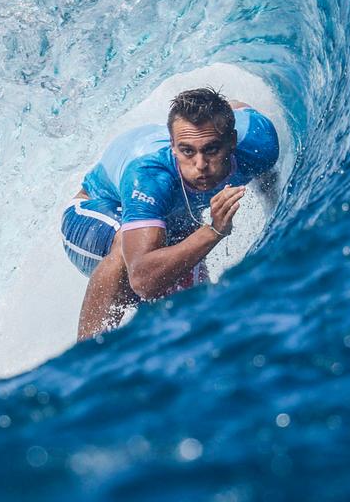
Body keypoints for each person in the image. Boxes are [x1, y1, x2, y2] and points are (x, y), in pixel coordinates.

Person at [62, 87, 280, 340]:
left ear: (231, 141)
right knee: (129, 248)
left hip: (169, 222)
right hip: (91, 216)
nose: (200, 165)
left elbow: (239, 106)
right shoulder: (150, 175)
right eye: (187, 151)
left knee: (192, 313)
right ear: (173, 146)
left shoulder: (257, 141)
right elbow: (142, 279)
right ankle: (89, 357)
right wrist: (213, 231)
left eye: (211, 149)